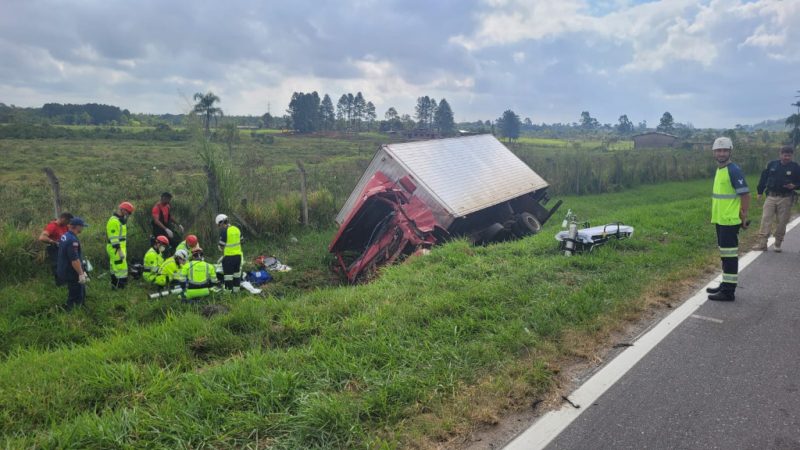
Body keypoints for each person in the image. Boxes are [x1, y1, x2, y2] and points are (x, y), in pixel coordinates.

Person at [706, 137, 750, 301]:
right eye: (718, 150)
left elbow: (745, 194)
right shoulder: (720, 169)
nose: (721, 153)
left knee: (730, 257)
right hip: (721, 220)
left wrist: (743, 216)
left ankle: (728, 291)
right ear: (714, 153)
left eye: (724, 150)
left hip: (730, 221)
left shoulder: (733, 170)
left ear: (730, 151)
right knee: (725, 255)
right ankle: (725, 284)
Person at [752, 145, 800, 252]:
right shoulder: (772, 164)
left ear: (792, 156)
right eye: (784, 155)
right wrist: (760, 191)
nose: (786, 157)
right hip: (771, 196)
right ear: (780, 154)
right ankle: (762, 244)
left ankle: (778, 243)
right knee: (765, 219)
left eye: (789, 155)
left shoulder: (796, 167)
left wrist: (795, 186)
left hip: (786, 198)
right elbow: (763, 177)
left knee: (782, 222)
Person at [57, 217, 89, 310]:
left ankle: (79, 306)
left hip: (65, 267)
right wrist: (81, 274)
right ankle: (73, 310)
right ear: (77, 227)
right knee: (76, 290)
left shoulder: (65, 235)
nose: (83, 228)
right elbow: (74, 259)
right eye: (82, 226)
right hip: (71, 270)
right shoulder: (72, 240)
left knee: (79, 289)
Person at [39, 211, 73, 284]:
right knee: (57, 265)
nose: (68, 223)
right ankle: (60, 283)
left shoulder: (65, 226)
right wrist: (53, 241)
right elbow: (42, 237)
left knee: (67, 264)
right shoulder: (52, 226)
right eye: (68, 221)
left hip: (63, 248)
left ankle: (67, 281)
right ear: (63, 219)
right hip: (54, 248)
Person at [107, 201, 134, 289]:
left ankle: (114, 285)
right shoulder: (114, 221)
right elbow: (113, 238)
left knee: (115, 266)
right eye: (127, 212)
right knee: (120, 267)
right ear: (122, 210)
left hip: (120, 247)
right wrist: (119, 251)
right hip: (116, 248)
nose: (128, 214)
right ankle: (121, 287)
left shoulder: (120, 220)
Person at [216, 213, 243, 293]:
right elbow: (242, 241)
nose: (219, 227)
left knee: (228, 276)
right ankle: (236, 291)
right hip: (238, 256)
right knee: (236, 275)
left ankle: (227, 294)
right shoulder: (236, 229)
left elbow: (221, 246)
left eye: (219, 225)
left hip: (228, 258)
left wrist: (220, 248)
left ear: (221, 223)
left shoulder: (224, 231)